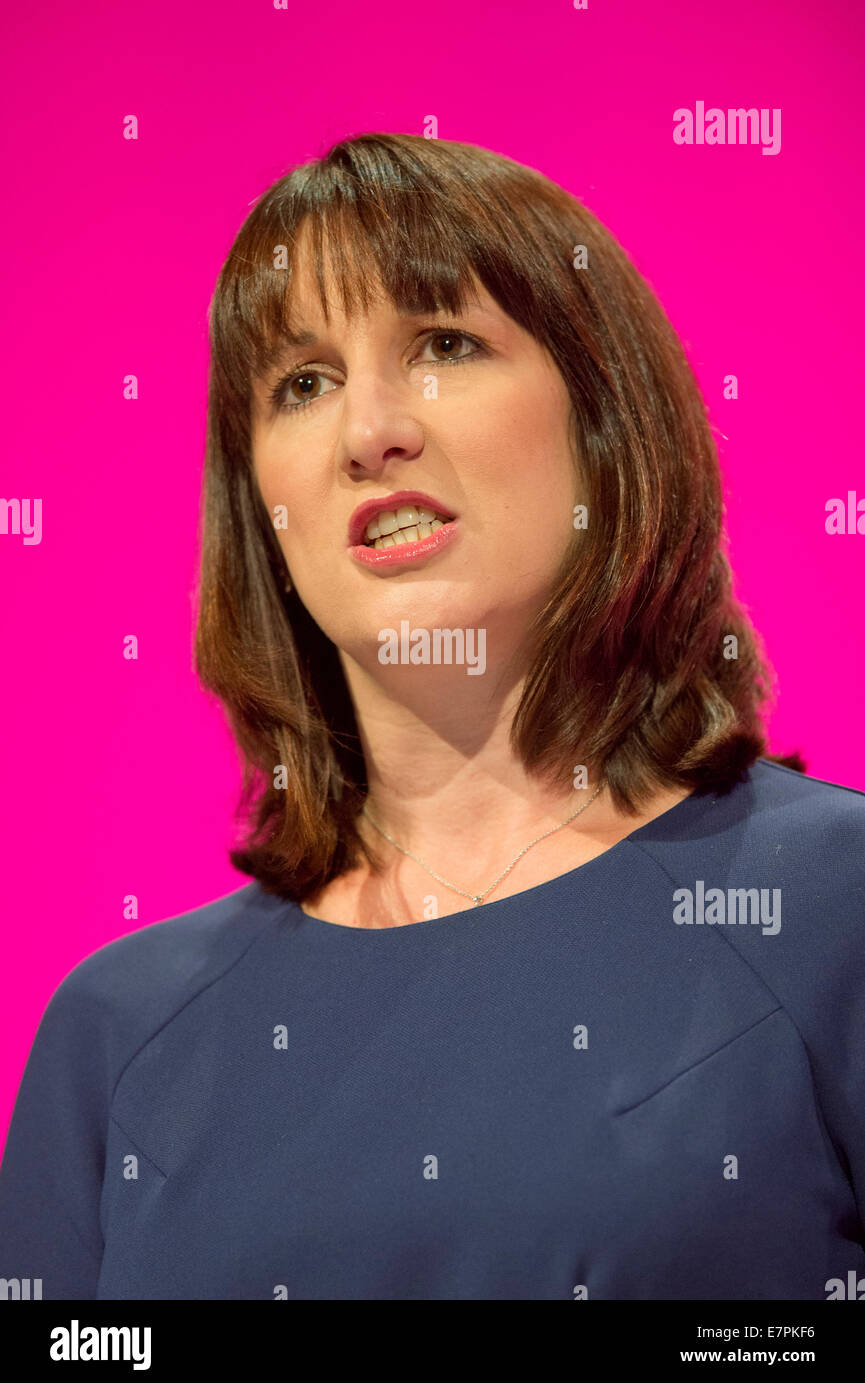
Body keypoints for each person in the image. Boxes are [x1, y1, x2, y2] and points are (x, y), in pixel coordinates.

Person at [1, 132, 863, 1301]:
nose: (370, 432)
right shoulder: (113, 1037)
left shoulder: (828, 909)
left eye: (444, 344)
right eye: (302, 384)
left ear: (606, 430)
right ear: (263, 509)